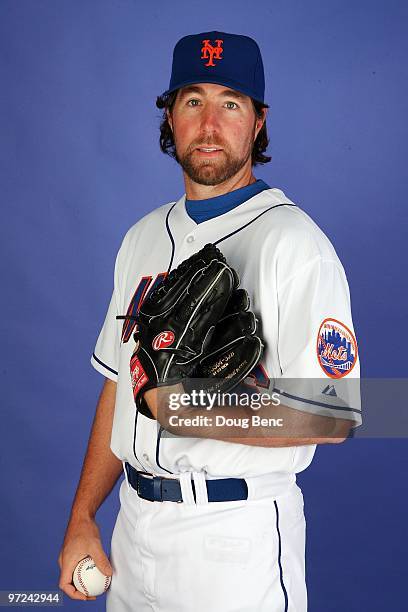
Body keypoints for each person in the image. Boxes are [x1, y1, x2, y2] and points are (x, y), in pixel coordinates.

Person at [58, 30, 362, 611]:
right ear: (170, 116)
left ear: (258, 121)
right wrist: (81, 517)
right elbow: (121, 385)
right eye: (193, 101)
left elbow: (339, 413)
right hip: (131, 527)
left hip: (234, 538)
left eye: (231, 103)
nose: (209, 123)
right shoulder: (141, 238)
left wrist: (187, 402)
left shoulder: (295, 244)